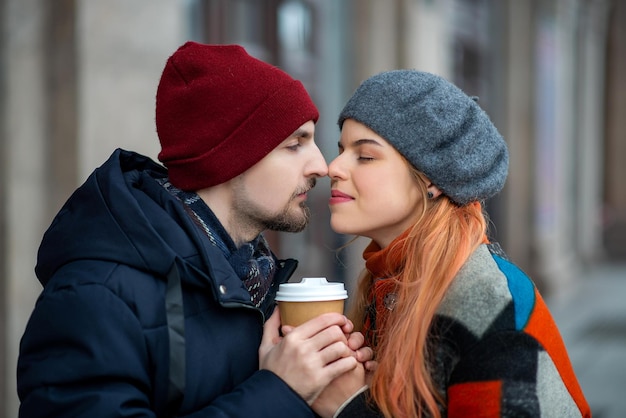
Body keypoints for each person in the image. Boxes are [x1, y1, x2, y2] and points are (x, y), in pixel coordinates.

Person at [17, 42, 368, 417]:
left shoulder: (252, 282)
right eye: (295, 144)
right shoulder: (94, 296)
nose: (321, 165)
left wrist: (339, 398)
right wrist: (281, 391)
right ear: (228, 158)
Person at [312, 70, 592, 417]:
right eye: (340, 150)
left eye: (365, 156)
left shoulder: (486, 304)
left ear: (431, 179)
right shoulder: (389, 281)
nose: (333, 167)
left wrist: (349, 407)